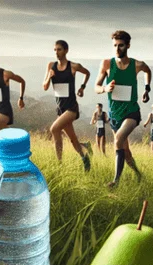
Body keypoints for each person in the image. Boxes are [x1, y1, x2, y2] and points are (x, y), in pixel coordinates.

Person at [94, 30, 150, 188]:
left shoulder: (136, 65)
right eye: (115, 46)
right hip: (114, 115)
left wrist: (147, 89)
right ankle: (139, 175)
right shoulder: (106, 64)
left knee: (118, 140)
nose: (117, 49)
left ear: (128, 46)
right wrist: (105, 88)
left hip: (131, 112)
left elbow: (147, 70)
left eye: (121, 45)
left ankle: (115, 182)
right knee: (125, 151)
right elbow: (96, 87)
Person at [44, 40, 92, 171]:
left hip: (71, 108)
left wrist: (82, 87)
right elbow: (45, 86)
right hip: (61, 108)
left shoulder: (73, 66)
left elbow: (87, 73)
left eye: (59, 49)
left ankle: (59, 165)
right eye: (55, 50)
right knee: (73, 140)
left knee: (54, 129)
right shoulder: (51, 66)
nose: (56, 52)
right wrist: (49, 76)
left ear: (66, 50)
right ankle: (85, 158)